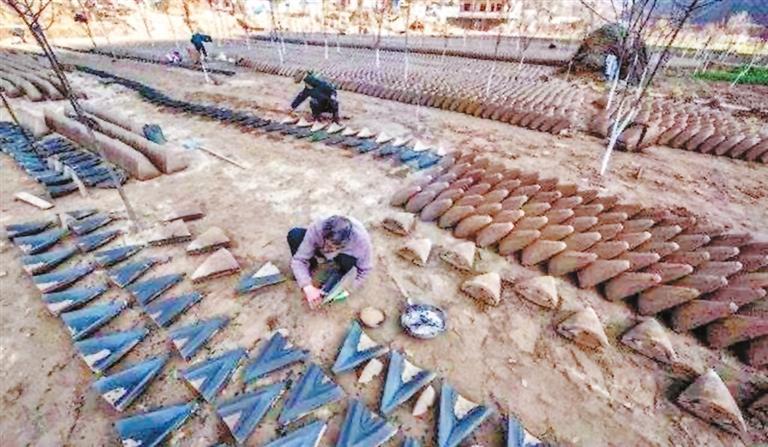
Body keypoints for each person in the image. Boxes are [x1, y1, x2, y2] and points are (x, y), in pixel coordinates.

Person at [288, 215, 373, 309]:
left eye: (335, 247)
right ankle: (311, 268)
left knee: (348, 262)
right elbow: (298, 260)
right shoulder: (317, 228)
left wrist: (349, 290)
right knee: (295, 235)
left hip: (342, 256)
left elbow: (365, 270)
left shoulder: (361, 242)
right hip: (319, 246)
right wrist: (306, 286)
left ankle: (336, 273)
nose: (327, 249)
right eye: (328, 244)